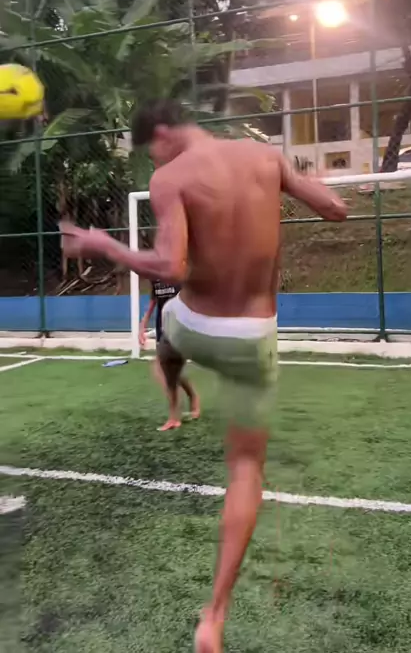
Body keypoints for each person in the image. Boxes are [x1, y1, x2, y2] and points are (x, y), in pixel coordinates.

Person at [59, 99, 347, 653]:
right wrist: (310, 185)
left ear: (163, 133)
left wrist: (103, 244)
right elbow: (335, 209)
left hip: (193, 325)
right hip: (252, 336)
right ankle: (213, 617)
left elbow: (170, 267)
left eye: (151, 151)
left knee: (168, 331)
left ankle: (171, 379)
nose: (154, 161)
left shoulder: (170, 178)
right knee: (246, 469)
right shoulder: (265, 156)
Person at [140, 278, 200, 430]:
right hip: (162, 329)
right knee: (170, 371)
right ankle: (192, 398)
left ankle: (175, 417)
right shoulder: (155, 278)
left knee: (162, 370)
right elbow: (154, 301)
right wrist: (143, 324)